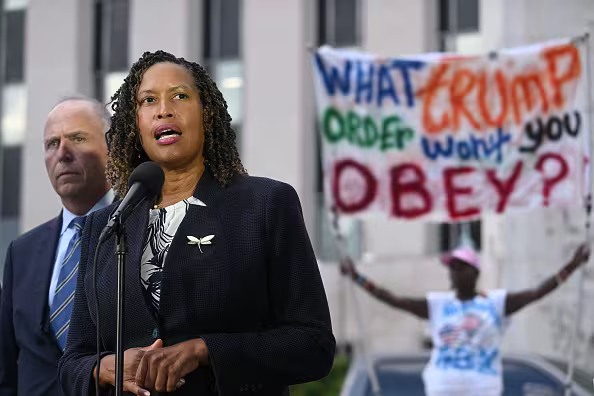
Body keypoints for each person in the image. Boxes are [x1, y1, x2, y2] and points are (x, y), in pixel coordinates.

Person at [58, 50, 335, 396]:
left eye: (180, 96)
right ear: (135, 124)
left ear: (207, 113)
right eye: (148, 101)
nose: (164, 109)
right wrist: (103, 368)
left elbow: (314, 345)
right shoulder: (105, 225)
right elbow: (72, 363)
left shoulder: (265, 205)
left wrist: (204, 351)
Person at [340, 243, 590, 396]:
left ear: (475, 272)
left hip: (483, 389)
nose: (455, 271)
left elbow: (537, 292)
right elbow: (394, 299)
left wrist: (573, 265)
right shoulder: (439, 305)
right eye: (452, 267)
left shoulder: (495, 303)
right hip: (443, 389)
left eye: (461, 266)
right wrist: (357, 277)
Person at [0, 96, 115, 395]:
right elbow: (7, 367)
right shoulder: (21, 253)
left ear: (111, 149)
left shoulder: (142, 231)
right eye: (52, 143)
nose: (62, 153)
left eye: (77, 138)